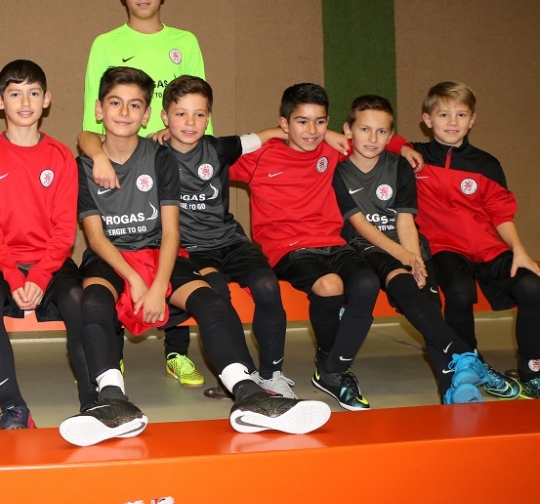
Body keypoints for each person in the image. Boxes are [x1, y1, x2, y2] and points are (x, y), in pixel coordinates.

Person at [59, 67, 330, 447]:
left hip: (160, 253)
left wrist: (158, 286)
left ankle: (249, 394)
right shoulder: (83, 165)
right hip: (111, 257)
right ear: (99, 110)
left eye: (134, 105)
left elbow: (172, 232)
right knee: (93, 301)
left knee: (211, 302)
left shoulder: (161, 157)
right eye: (115, 103)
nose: (124, 112)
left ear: (147, 115)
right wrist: (135, 280)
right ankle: (112, 400)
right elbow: (95, 237)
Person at [333, 95, 515, 403]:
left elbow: (405, 220)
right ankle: (468, 358)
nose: (372, 138)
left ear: (390, 135)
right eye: (364, 129)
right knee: (408, 290)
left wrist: (415, 259)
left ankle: (454, 388)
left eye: (381, 131)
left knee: (428, 308)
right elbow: (362, 226)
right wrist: (404, 257)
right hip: (366, 248)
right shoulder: (338, 170)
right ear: (348, 130)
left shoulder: (400, 166)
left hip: (408, 246)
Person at [82, 0, 208, 384]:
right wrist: (100, 156)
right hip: (124, 164)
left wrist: (175, 143)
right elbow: (88, 126)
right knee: (124, 245)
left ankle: (177, 352)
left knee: (172, 251)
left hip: (174, 165)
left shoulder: (185, 42)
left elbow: (199, 113)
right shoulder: (105, 45)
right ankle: (110, 359)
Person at [230, 83, 384, 411]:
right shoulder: (260, 156)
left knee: (367, 283)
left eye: (320, 122)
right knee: (330, 286)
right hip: (288, 248)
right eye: (302, 121)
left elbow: (375, 138)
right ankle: (332, 370)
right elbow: (208, 154)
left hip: (333, 242)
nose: (312, 131)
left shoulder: (331, 149)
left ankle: (331, 370)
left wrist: (405, 148)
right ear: (284, 123)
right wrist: (268, 134)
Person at [0, 60, 88, 429]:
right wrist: (13, 276)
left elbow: (64, 230)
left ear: (46, 99)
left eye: (33, 93)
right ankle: (13, 407)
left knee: (77, 299)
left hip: (51, 263)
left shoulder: (61, 156)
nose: (25, 102)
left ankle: (94, 402)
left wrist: (38, 276)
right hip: (1, 262)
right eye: (15, 94)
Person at [405, 81, 540, 398]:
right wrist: (401, 147)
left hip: (486, 248)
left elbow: (501, 213)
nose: (452, 122)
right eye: (443, 114)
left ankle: (532, 371)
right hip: (443, 248)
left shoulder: (486, 164)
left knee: (533, 288)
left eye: (461, 114)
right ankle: (472, 363)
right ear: (427, 120)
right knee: (460, 292)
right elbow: (375, 141)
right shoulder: (414, 157)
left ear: (472, 120)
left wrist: (519, 251)